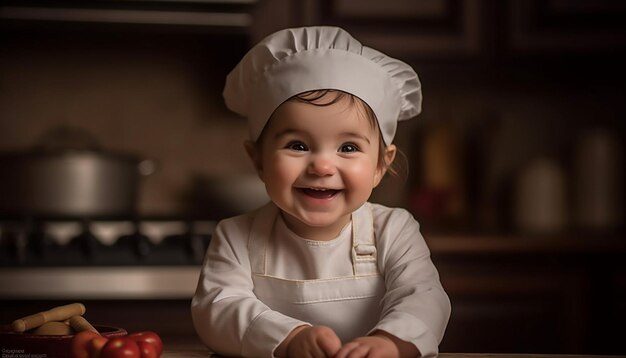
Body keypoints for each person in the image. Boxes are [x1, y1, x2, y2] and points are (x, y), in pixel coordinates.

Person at [191, 26, 451, 358]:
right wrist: (288, 338)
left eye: (348, 147)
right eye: (298, 145)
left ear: (379, 166)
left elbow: (424, 297)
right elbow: (218, 308)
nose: (322, 166)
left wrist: (391, 342)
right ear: (257, 160)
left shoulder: (394, 230)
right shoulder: (235, 236)